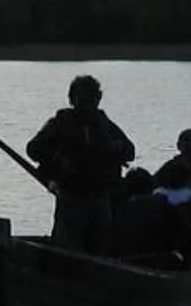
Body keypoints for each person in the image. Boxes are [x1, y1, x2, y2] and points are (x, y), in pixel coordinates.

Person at [25, 73, 134, 253]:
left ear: (97, 99)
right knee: (68, 247)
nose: (85, 103)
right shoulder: (60, 123)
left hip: (100, 197)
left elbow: (130, 151)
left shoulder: (105, 125)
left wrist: (113, 148)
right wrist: (58, 160)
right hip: (71, 196)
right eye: (81, 97)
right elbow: (33, 149)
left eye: (90, 97)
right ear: (72, 99)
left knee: (100, 249)